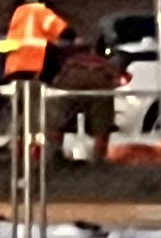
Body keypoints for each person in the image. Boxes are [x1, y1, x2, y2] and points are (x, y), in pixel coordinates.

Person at [43, 22, 125, 157]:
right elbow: (115, 75)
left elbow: (55, 72)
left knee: (57, 115)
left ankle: (54, 153)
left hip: (72, 73)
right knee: (102, 119)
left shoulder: (56, 48)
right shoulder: (88, 48)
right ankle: (99, 157)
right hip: (100, 74)